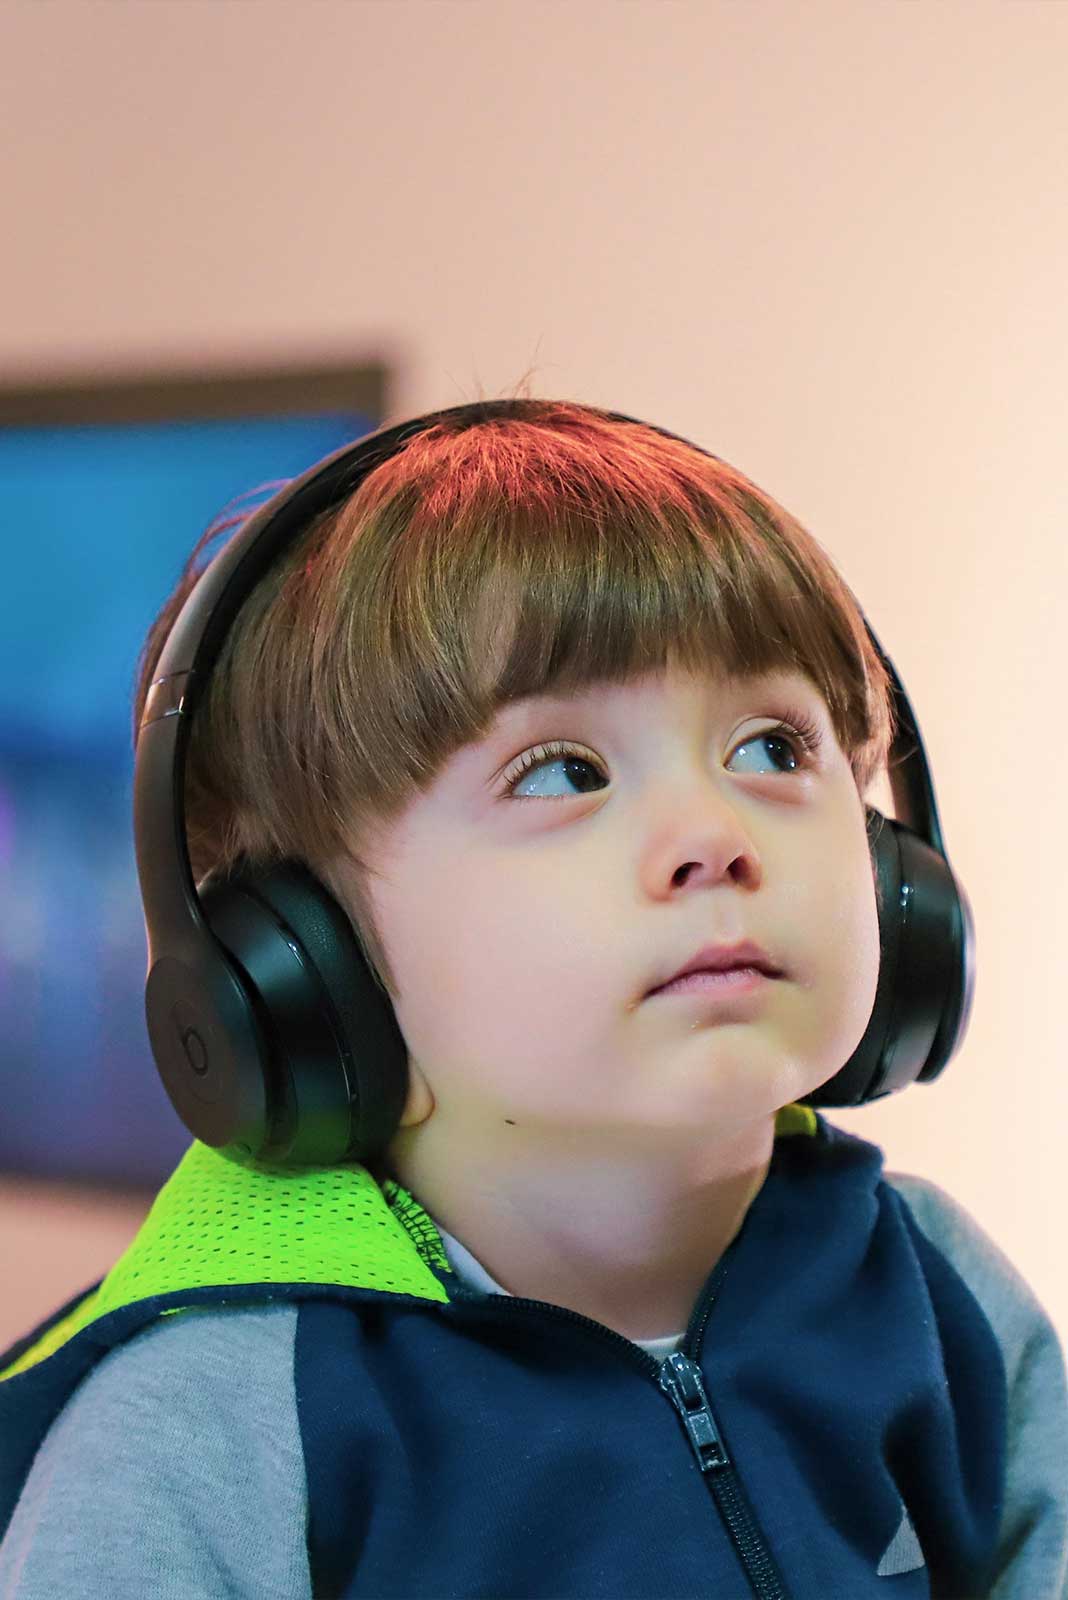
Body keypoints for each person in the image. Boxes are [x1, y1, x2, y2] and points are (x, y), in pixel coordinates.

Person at [0, 394, 1065, 1599]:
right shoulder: (217, 1422)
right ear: (304, 957)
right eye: (562, 771)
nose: (712, 836)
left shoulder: (934, 1293)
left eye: (774, 745)